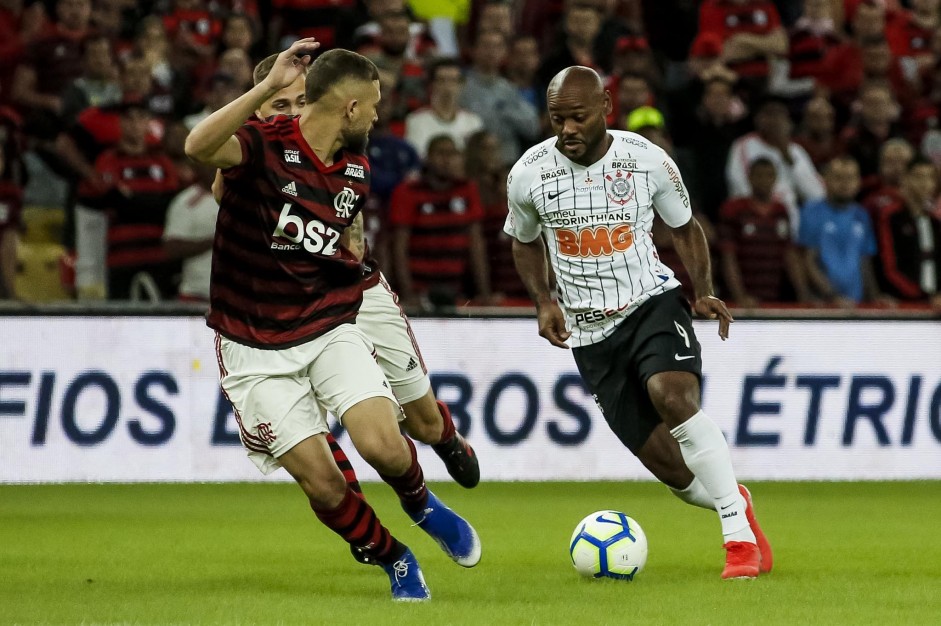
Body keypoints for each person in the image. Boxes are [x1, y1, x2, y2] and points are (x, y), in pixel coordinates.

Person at [184, 41, 480, 602]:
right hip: (252, 344)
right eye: (372, 104)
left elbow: (347, 234)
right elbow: (199, 146)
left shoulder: (355, 168)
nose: (378, 115)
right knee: (322, 483)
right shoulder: (262, 146)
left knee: (386, 447)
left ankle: (422, 502)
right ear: (349, 107)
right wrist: (267, 88)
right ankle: (395, 557)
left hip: (326, 322)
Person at [504, 66, 772, 580]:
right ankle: (732, 498)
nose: (567, 130)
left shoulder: (645, 160)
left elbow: (685, 227)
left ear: (606, 106)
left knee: (673, 396)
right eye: (557, 119)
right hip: (589, 333)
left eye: (578, 117)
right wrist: (542, 300)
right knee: (673, 470)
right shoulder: (529, 172)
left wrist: (704, 290)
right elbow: (523, 239)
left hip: (652, 303)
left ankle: (737, 540)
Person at [798, 156, 892, 307]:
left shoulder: (861, 215)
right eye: (838, 178)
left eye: (850, 178)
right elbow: (807, 261)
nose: (845, 183)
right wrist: (831, 296)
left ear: (858, 182)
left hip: (856, 303)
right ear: (826, 180)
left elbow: (864, 262)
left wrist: (874, 296)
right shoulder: (811, 212)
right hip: (823, 304)